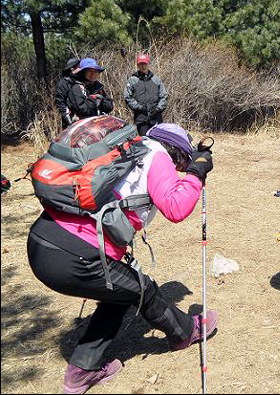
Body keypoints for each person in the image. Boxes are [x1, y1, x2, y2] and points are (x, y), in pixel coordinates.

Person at [27, 121, 217, 394]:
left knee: (121, 291)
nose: (180, 168)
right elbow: (176, 207)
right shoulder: (156, 154)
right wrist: (197, 173)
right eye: (182, 161)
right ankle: (186, 332)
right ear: (175, 151)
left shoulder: (127, 153)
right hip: (73, 257)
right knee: (142, 288)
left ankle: (82, 371)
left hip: (43, 242)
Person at [124, 54, 168, 136]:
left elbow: (164, 96)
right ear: (137, 65)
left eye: (145, 63)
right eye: (141, 64)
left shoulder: (156, 79)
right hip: (141, 119)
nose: (143, 66)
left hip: (156, 118)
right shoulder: (133, 80)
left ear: (148, 64)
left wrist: (158, 109)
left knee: (158, 143)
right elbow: (127, 96)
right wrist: (138, 107)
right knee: (145, 144)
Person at [55, 57, 80, 129]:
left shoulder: (82, 80)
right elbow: (60, 101)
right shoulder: (63, 83)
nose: (81, 69)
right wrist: (69, 120)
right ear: (72, 69)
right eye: (79, 67)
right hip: (72, 118)